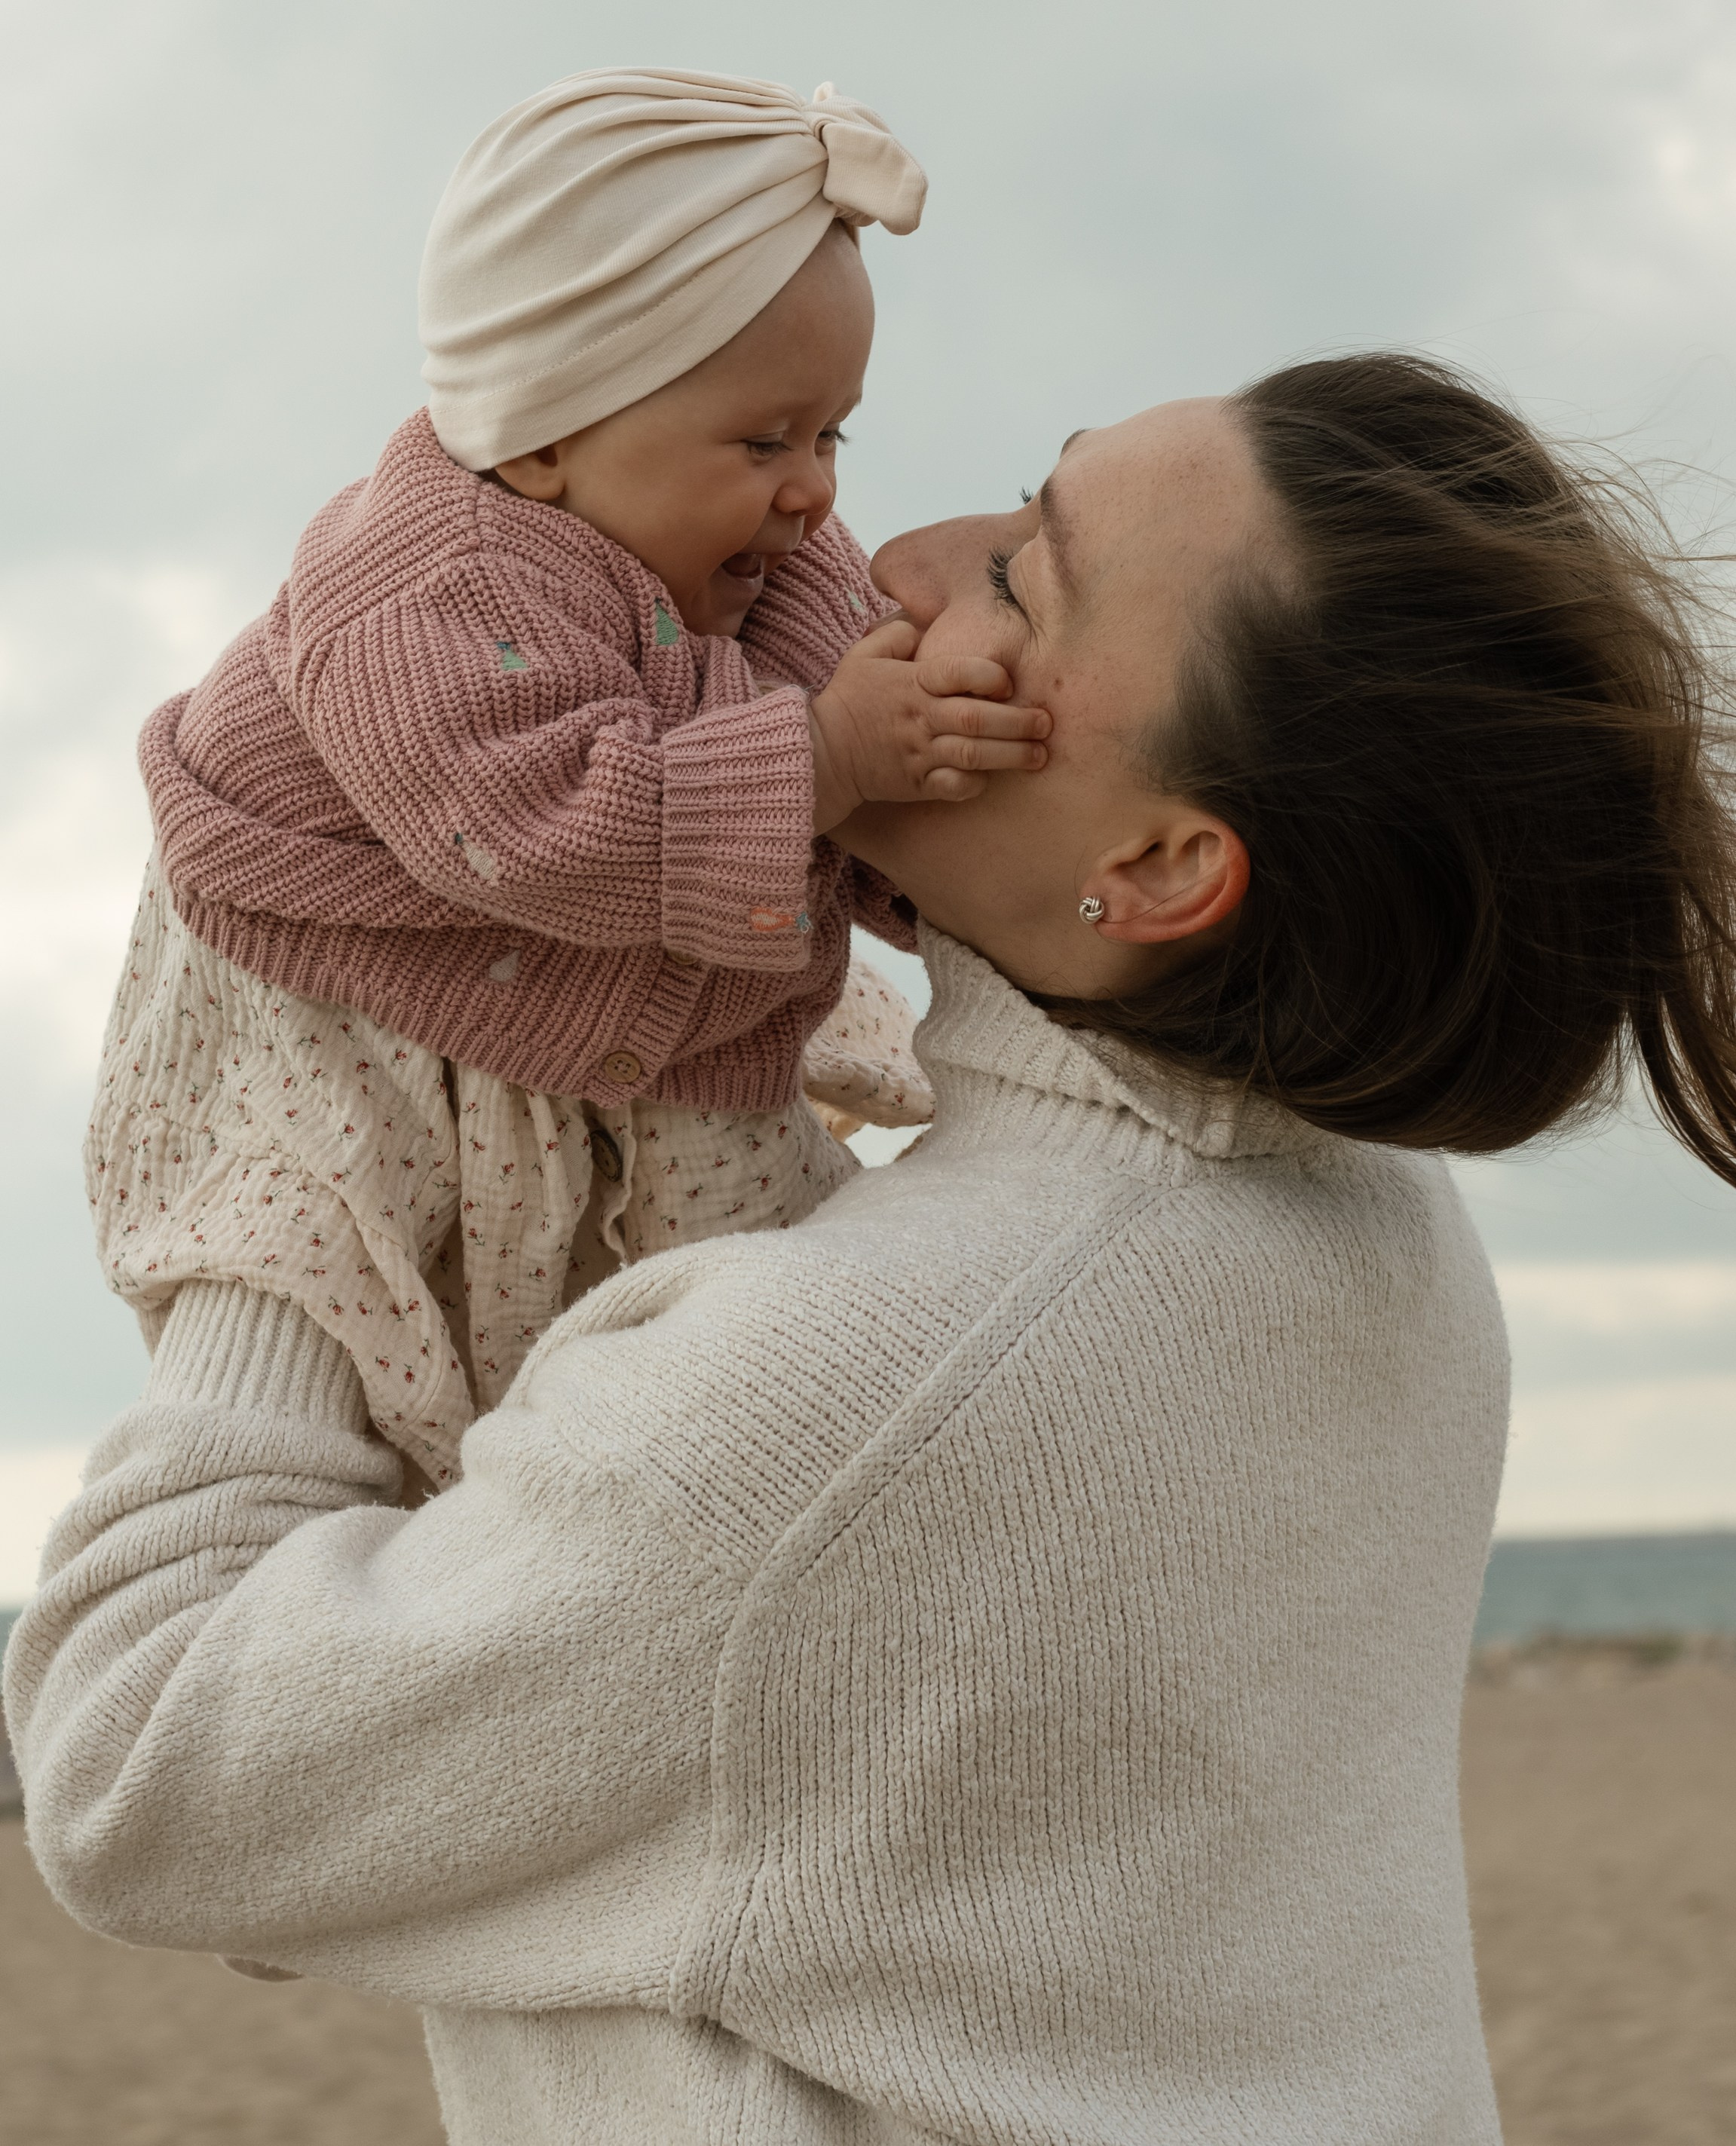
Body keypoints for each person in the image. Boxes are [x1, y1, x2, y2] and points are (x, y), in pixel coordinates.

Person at [14, 354, 1736, 2144]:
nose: (893, 558)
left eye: (1021, 579)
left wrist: (291, 1144)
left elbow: (139, 1768)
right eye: (1016, 490)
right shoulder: (1370, 1220)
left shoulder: (850, 1401)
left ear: (1156, 867)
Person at [97, 68, 1049, 1483]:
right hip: (366, 997)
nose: (817, 490)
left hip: (639, 998)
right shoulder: (421, 591)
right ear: (542, 435)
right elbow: (538, 826)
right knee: (365, 1292)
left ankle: (726, 1486)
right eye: (766, 439)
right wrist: (832, 755)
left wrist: (927, 769)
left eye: (833, 431)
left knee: (758, 1315)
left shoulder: (763, 557)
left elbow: (859, 702)